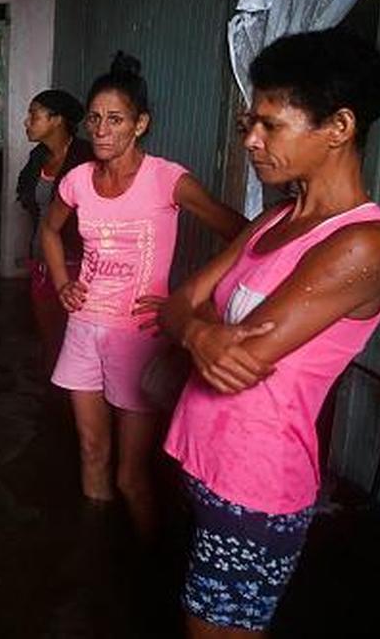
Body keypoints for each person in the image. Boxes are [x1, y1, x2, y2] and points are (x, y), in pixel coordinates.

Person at [159, 28, 380, 637]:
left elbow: (240, 355)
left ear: (339, 127)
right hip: (201, 455)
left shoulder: (364, 244)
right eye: (252, 121)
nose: (251, 139)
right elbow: (177, 304)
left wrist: (198, 330)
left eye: (271, 124)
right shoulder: (276, 218)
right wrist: (198, 333)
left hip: (256, 481)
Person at [40, 53, 246, 540]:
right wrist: (61, 281)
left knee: (132, 477)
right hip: (83, 329)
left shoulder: (166, 179)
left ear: (140, 124)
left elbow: (241, 233)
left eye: (115, 119)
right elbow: (49, 233)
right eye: (95, 119)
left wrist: (192, 302)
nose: (102, 130)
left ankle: (146, 571)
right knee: (92, 452)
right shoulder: (76, 181)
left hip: (138, 336)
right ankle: (97, 564)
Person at [16, 89, 92, 376]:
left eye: (34, 115)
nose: (27, 122)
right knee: (49, 340)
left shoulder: (86, 156)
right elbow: (29, 201)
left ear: (56, 120)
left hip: (78, 263)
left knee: (76, 342)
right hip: (42, 261)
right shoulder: (38, 158)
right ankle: (50, 402)